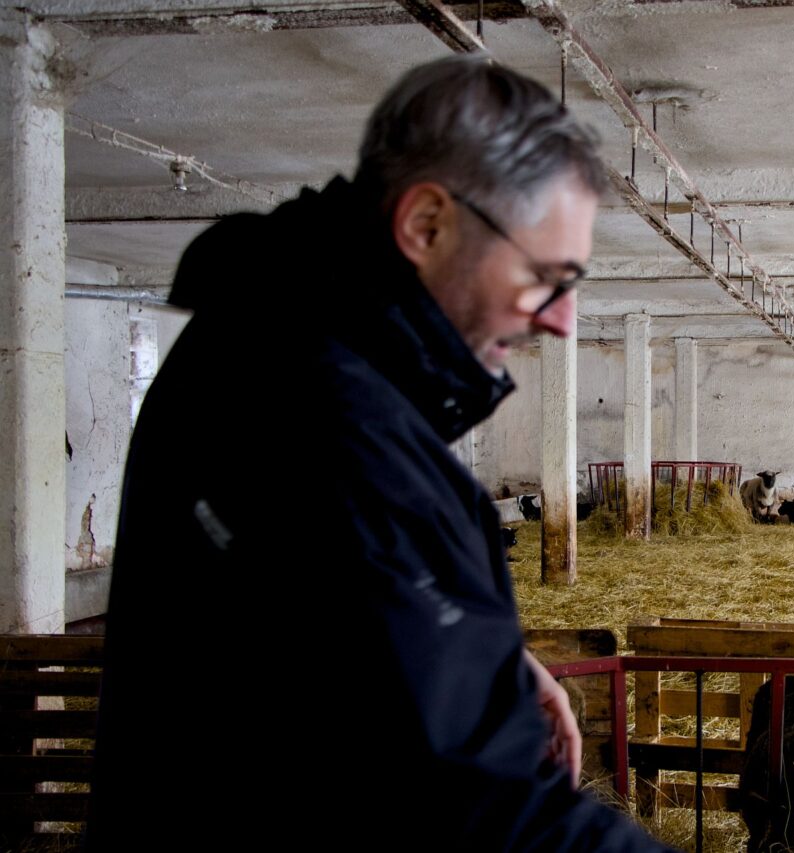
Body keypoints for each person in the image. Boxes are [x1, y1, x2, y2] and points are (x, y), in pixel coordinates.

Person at [88, 55, 673, 851]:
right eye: (548, 277)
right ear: (427, 225)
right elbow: (496, 822)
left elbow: (309, 633)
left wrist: (475, 661)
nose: (564, 321)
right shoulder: (341, 428)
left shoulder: (247, 329)